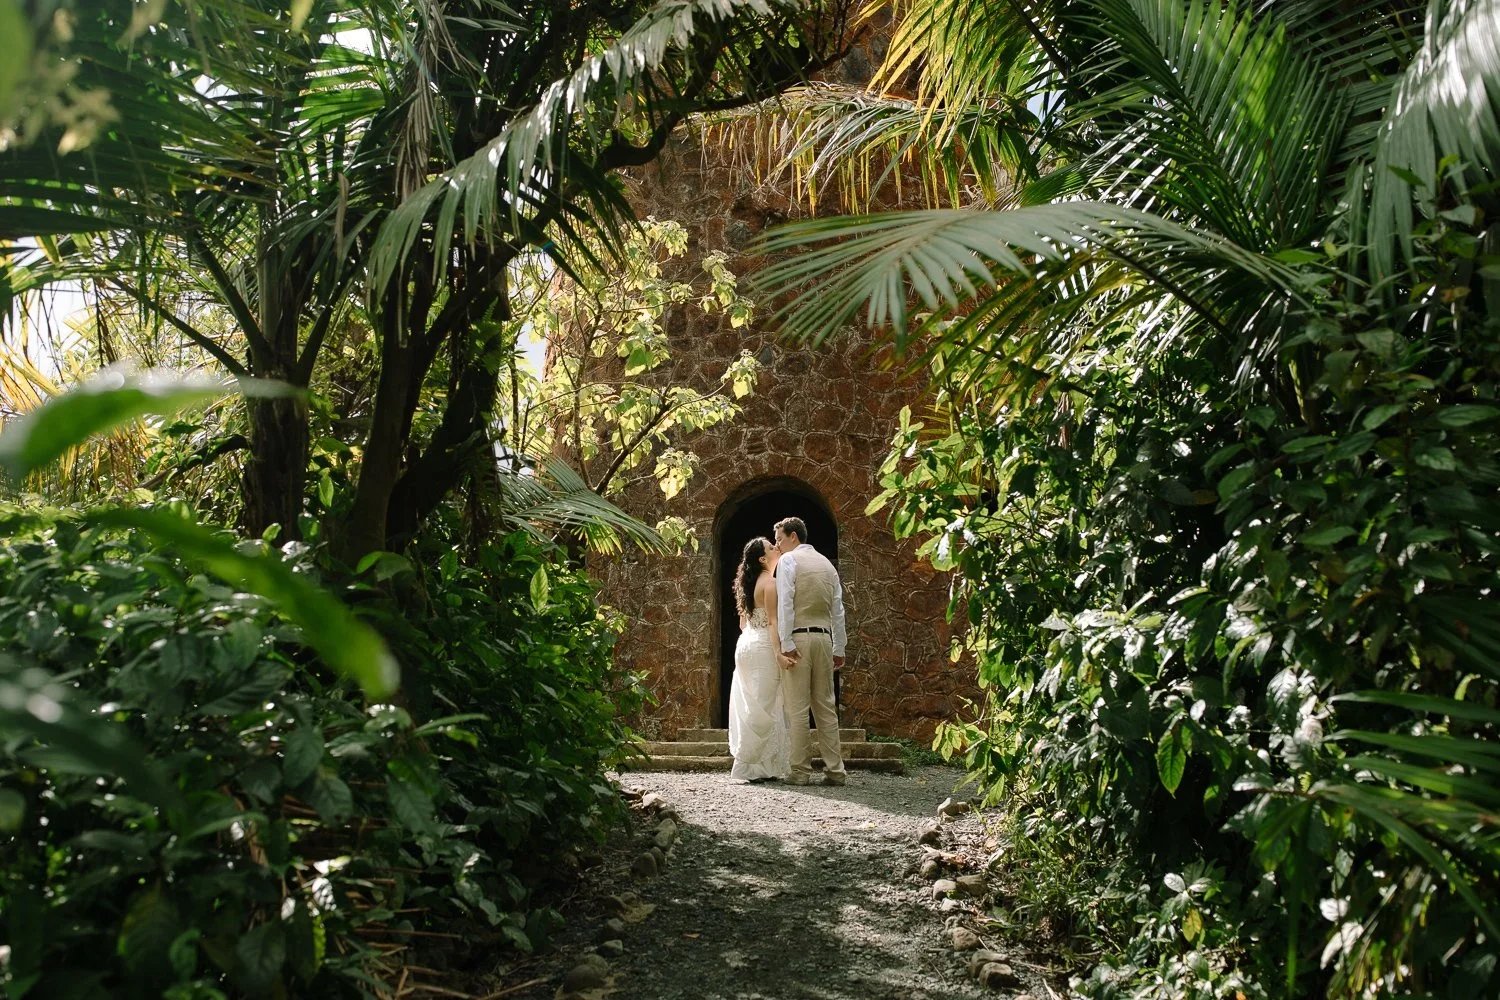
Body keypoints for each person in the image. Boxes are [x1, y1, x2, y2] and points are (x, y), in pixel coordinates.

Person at [773, 516, 848, 786]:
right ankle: (835, 771)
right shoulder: (827, 565)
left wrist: (786, 642)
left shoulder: (788, 561)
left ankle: (800, 772)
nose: (777, 545)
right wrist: (839, 646)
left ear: (794, 536)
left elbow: (786, 603)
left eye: (780, 539)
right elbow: (838, 609)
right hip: (824, 639)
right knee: (826, 707)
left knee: (797, 708)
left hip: (799, 638)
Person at [728, 536, 790, 783]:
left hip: (745, 644)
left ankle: (765, 766)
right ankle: (748, 767)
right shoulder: (770, 584)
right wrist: (778, 652)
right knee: (763, 705)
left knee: (754, 703)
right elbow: (774, 622)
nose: (776, 547)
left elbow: (744, 622)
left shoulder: (747, 583)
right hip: (762, 645)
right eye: (771, 547)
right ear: (764, 559)